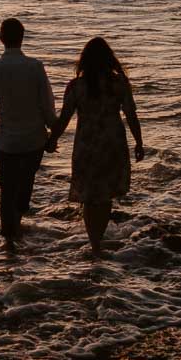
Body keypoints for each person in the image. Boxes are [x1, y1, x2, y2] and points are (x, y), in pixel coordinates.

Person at [48, 37, 144, 256]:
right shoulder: (118, 83)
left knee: (90, 196)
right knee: (105, 194)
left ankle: (95, 244)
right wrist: (139, 142)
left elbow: (64, 118)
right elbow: (131, 114)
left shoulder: (76, 86)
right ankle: (97, 243)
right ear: (109, 59)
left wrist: (52, 139)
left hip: (86, 145)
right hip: (112, 144)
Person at [0, 18, 56, 246]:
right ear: (22, 37)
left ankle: (8, 236)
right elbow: (47, 105)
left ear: (1, 39)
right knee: (25, 182)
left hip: (6, 141)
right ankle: (16, 225)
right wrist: (54, 132)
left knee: (6, 187)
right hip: (34, 139)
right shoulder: (36, 67)